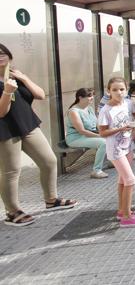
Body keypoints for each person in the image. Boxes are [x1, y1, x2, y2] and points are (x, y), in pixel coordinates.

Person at [0, 43, 77, 227]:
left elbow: (40, 94)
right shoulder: (6, 83)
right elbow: (2, 112)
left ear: (9, 56)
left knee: (49, 161)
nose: (0, 56)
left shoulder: (14, 74)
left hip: (28, 124)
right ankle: (12, 212)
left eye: (3, 52)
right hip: (6, 130)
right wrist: (6, 91)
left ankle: (51, 200)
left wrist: (24, 78)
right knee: (11, 171)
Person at [98, 77, 135, 227]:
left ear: (126, 90)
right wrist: (121, 128)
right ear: (108, 91)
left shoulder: (128, 103)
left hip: (128, 145)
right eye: (114, 90)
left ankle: (122, 210)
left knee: (122, 179)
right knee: (130, 180)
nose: (119, 92)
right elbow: (102, 132)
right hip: (115, 149)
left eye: (121, 89)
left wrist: (134, 127)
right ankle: (127, 217)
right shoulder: (106, 110)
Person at [65, 88, 109, 179]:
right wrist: (100, 135)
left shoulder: (89, 108)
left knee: (111, 136)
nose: (92, 98)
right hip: (76, 138)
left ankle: (112, 161)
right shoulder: (74, 111)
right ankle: (96, 171)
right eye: (89, 96)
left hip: (89, 136)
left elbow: (97, 124)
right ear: (80, 97)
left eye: (92, 95)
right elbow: (82, 131)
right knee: (103, 143)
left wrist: (104, 132)